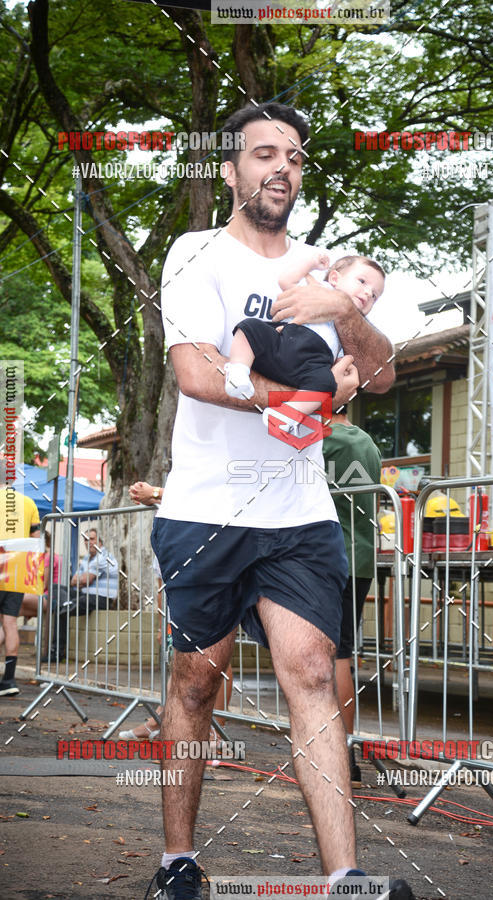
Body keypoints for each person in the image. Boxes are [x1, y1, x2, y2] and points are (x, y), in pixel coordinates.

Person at [148, 101, 400, 900]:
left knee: (315, 674)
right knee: (197, 679)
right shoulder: (196, 255)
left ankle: (345, 877)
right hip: (207, 508)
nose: (280, 168)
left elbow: (383, 374)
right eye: (263, 154)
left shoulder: (324, 270)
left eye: (292, 155)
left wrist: (348, 311)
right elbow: (196, 374)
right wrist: (292, 404)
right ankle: (178, 862)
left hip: (299, 514)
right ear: (231, 170)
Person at [120, 482, 232, 742]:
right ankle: (162, 719)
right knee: (182, 658)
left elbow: (213, 495)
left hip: (212, 561)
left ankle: (217, 726)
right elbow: (162, 581)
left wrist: (157, 493)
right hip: (177, 565)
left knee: (219, 652)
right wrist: (163, 622)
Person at [225, 252, 385, 432]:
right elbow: (287, 281)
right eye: (362, 282)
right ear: (334, 278)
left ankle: (288, 415)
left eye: (374, 296)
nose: (367, 292)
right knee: (250, 327)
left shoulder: (353, 326)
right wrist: (311, 262)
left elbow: (346, 363)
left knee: (327, 384)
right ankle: (238, 371)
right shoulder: (319, 289)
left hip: (313, 364)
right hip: (284, 342)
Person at [322, 408, 382, 785]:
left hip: (329, 556)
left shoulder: (321, 441)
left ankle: (339, 757)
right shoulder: (367, 442)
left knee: (332, 656)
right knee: (343, 651)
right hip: (360, 556)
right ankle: (342, 754)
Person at [44, 527, 118, 662]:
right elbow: (74, 581)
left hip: (101, 598)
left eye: (92, 539)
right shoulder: (87, 559)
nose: (88, 542)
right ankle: (67, 603)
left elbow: (85, 580)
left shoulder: (103, 557)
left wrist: (82, 580)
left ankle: (56, 653)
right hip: (85, 595)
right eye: (85, 539)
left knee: (63, 610)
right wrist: (82, 580)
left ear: (100, 542)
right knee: (56, 588)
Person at [0, 461, 41, 695]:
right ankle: (8, 680)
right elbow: (35, 539)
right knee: (9, 622)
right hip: (16, 572)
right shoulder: (28, 503)